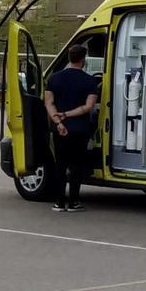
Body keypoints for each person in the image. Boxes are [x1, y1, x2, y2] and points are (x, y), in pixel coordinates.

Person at [44, 44, 99, 212]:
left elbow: (49, 103)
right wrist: (67, 114)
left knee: (60, 164)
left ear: (69, 58)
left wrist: (59, 122)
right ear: (83, 60)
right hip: (80, 129)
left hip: (60, 129)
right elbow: (88, 106)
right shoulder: (90, 81)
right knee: (76, 165)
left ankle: (59, 202)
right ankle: (74, 201)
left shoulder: (54, 78)